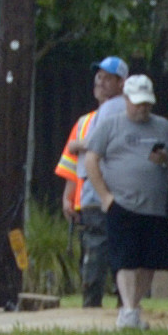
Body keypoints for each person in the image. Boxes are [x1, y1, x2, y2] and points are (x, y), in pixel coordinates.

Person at [77, 71, 168, 332]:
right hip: (122, 203)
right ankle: (130, 310)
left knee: (149, 261)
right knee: (126, 259)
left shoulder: (163, 127)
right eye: (137, 102)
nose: (142, 108)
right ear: (126, 99)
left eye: (146, 103)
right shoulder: (110, 125)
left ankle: (132, 306)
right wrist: (105, 197)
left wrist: (164, 159)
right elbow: (91, 159)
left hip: (154, 206)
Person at [54, 55, 130, 217]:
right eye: (99, 76)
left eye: (107, 78)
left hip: (113, 197)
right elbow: (72, 163)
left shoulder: (128, 114)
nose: (100, 82)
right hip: (86, 201)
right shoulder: (84, 121)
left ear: (121, 83)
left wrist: (78, 145)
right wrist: (68, 198)